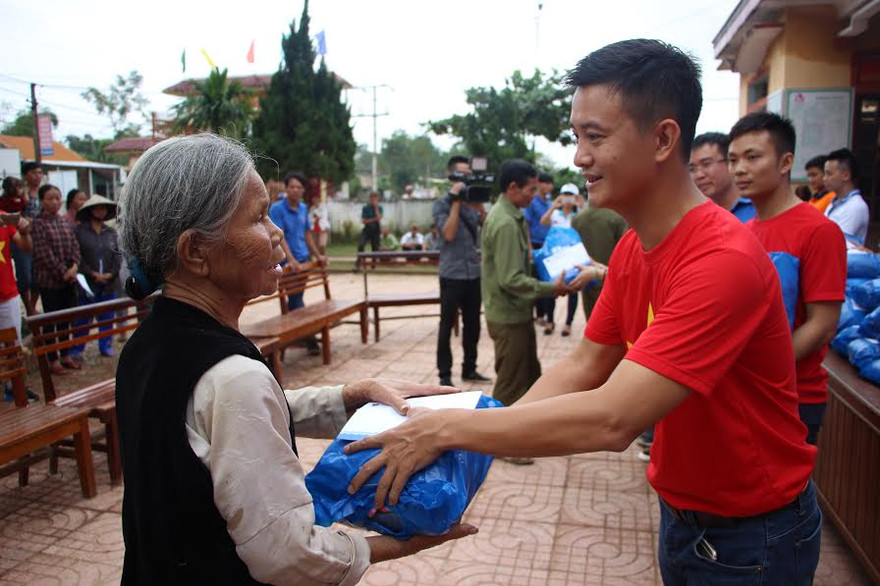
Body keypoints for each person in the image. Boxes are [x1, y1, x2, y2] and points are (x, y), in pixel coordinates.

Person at [345, 40, 820, 586]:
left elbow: (613, 418)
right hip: (685, 513)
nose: (578, 158)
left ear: (664, 138)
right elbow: (587, 364)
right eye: (577, 137)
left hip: (751, 532)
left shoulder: (721, 261)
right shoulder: (634, 249)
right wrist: (476, 420)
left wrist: (451, 431)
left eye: (595, 137)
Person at [114, 133, 475, 585]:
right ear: (196, 252)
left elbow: (221, 420)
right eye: (260, 217)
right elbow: (287, 554)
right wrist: (403, 543)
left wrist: (353, 395)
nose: (277, 232)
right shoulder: (232, 377)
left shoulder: (147, 344)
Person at [730, 112, 846, 446]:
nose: (740, 169)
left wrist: (761, 365)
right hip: (742, 392)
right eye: (734, 159)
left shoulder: (819, 231)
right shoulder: (741, 232)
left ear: (785, 162)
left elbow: (822, 323)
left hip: (793, 396)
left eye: (753, 157)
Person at [479, 159, 574, 416]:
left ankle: (522, 433)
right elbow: (510, 279)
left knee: (530, 375)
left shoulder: (512, 217)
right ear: (513, 187)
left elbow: (519, 266)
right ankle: (498, 439)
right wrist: (550, 288)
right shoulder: (506, 223)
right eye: (531, 189)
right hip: (508, 316)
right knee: (511, 384)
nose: (535, 195)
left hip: (516, 313)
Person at [432, 156, 490, 387]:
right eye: (462, 175)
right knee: (446, 325)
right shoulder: (441, 204)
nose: (467, 179)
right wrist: (456, 201)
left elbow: (487, 227)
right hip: (452, 273)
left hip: (473, 273)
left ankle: (470, 368)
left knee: (473, 324)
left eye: (469, 175)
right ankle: (444, 375)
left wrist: (479, 208)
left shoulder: (472, 203)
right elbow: (448, 234)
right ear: (451, 177)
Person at [31, 184, 81, 375]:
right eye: (50, 198)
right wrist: (63, 271)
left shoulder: (64, 222)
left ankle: (66, 354)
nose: (54, 201)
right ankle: (52, 359)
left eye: (57, 197)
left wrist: (74, 267)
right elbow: (44, 253)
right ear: (43, 201)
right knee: (51, 320)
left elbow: (75, 247)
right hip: (50, 281)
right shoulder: (39, 223)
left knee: (66, 320)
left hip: (68, 280)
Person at [71, 195, 122, 359]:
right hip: (88, 282)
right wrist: (92, 273)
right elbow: (77, 257)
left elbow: (117, 256)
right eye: (97, 208)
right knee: (84, 318)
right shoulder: (79, 232)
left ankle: (105, 346)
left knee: (107, 318)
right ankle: (77, 349)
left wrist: (111, 273)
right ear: (89, 211)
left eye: (103, 208)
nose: (100, 211)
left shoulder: (111, 232)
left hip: (109, 282)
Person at [0, 179, 36, 402]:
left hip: (7, 294)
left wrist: (24, 232)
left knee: (14, 345)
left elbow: (25, 246)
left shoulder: (4, 217)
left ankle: (15, 387)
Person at [539, 182, 581, 336]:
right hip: (556, 256)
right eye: (565, 195)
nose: (568, 200)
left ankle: (568, 324)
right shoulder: (555, 214)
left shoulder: (579, 216)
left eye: (571, 196)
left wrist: (580, 205)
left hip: (573, 256)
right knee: (552, 288)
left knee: (573, 289)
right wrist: (553, 206)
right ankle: (550, 320)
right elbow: (543, 222)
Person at [689, 132, 756, 222]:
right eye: (692, 169)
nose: (699, 175)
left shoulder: (757, 206)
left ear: (730, 163)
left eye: (706, 164)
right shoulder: (697, 217)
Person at [524, 172, 555, 328]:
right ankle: (539, 314)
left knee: (547, 280)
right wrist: (529, 248)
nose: (547, 186)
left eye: (550, 183)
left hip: (547, 245)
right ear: (539, 184)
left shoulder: (549, 202)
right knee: (536, 280)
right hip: (535, 245)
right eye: (545, 183)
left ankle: (547, 316)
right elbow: (527, 225)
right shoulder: (532, 202)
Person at [14, 162, 43, 315]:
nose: (37, 175)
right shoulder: (19, 194)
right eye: (34, 172)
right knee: (24, 275)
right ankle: (28, 306)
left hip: (40, 239)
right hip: (22, 238)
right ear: (26, 175)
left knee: (38, 276)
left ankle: (32, 306)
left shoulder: (45, 193)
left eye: (40, 172)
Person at [823, 148, 869, 245]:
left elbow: (836, 242)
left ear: (846, 175)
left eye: (829, 174)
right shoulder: (832, 204)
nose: (824, 178)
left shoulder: (855, 206)